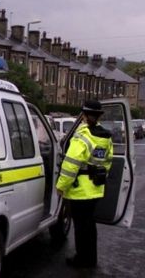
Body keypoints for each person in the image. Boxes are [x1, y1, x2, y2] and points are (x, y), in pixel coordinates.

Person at [56, 100, 113, 268]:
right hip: (96, 188)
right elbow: (108, 162)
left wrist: (61, 186)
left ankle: (81, 259)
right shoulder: (105, 137)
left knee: (81, 227)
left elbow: (70, 165)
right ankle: (91, 259)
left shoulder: (82, 136)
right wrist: (99, 176)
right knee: (90, 225)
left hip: (80, 190)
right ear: (98, 115)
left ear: (85, 115)